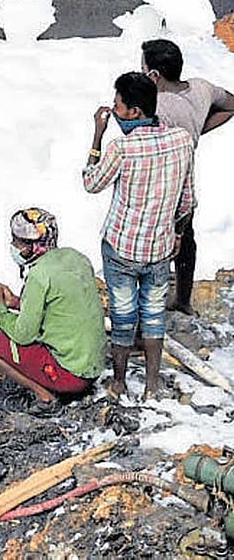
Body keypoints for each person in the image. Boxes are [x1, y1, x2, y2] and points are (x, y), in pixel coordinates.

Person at [83, 72, 194, 400]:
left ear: (133, 112)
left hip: (121, 246)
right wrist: (178, 234)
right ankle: (151, 385)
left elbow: (91, 183)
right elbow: (187, 199)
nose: (114, 110)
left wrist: (97, 136)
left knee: (123, 312)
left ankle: (118, 383)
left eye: (118, 106)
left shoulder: (122, 148)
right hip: (160, 246)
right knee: (154, 312)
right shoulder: (181, 140)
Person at [0, 207, 106, 410]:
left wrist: (1, 307)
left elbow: (23, 335)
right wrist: (17, 303)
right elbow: (60, 309)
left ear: (33, 246)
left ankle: (45, 397)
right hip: (93, 368)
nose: (13, 245)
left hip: (70, 375)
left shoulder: (39, 275)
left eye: (17, 241)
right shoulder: (76, 257)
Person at [141, 39, 234, 314]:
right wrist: (194, 132)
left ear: (153, 76)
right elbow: (230, 106)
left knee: (152, 245)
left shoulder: (155, 106)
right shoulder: (202, 87)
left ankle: (149, 309)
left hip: (159, 183)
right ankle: (182, 300)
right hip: (186, 183)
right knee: (186, 238)